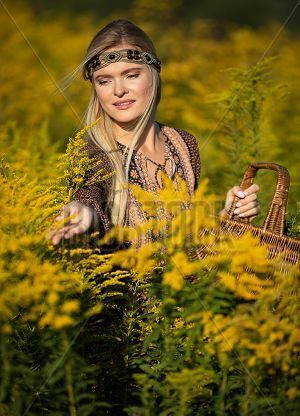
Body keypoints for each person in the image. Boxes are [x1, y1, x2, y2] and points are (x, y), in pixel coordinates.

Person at [47, 19, 260, 252]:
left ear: (153, 74)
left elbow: (189, 242)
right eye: (104, 80)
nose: (118, 90)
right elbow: (89, 197)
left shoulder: (183, 144)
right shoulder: (93, 153)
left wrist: (228, 214)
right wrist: (82, 212)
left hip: (183, 286)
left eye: (131, 75)